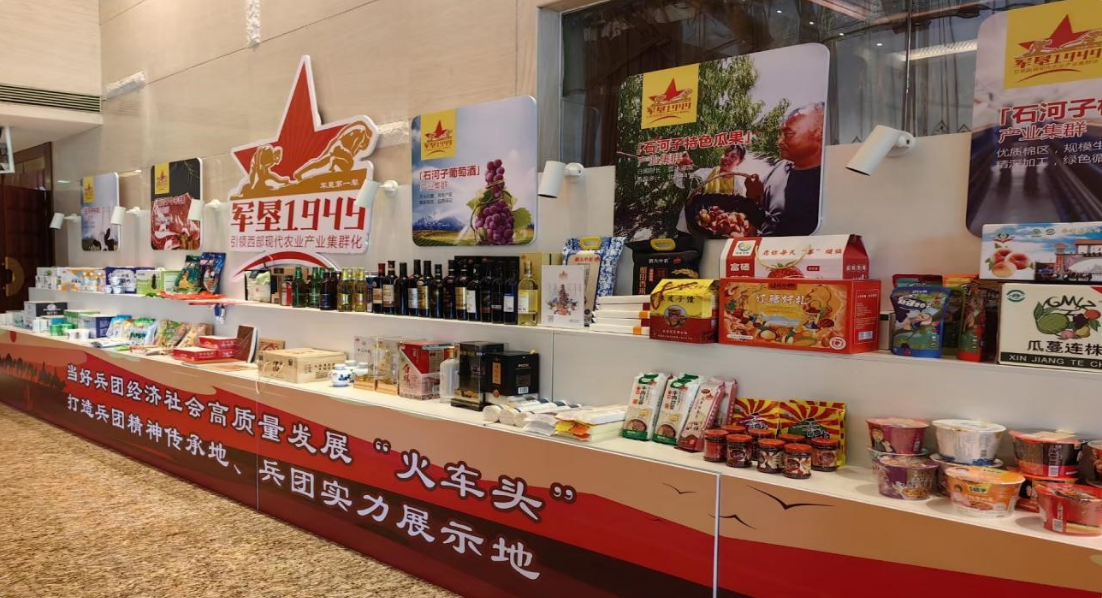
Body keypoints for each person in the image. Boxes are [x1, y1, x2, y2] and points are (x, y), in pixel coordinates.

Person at [746, 103, 824, 236]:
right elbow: (762, 221)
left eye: (788, 134)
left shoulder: (830, 179)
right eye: (780, 134)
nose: (779, 141)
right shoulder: (778, 170)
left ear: (819, 133)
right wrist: (754, 197)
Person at [673, 144, 748, 233]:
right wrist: (681, 167)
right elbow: (681, 183)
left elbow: (740, 208)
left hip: (720, 230)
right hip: (692, 226)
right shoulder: (704, 174)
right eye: (726, 154)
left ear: (740, 161)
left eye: (733, 156)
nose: (727, 158)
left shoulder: (739, 184)